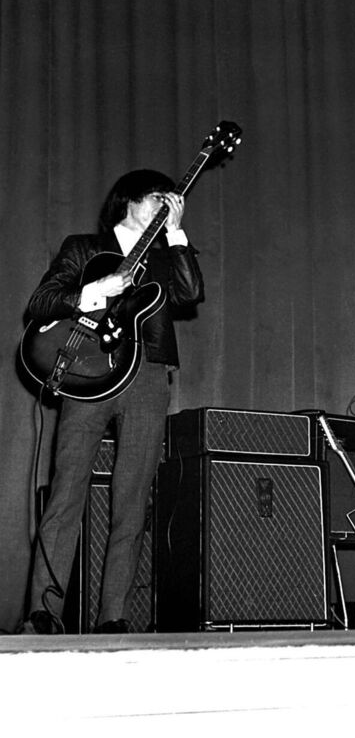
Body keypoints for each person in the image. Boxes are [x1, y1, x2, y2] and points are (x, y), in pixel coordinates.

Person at [23, 170, 204, 634]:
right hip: (86, 373)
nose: (166, 205)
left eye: (172, 200)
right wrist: (91, 292)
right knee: (66, 492)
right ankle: (44, 612)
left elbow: (190, 294)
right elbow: (41, 302)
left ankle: (114, 615)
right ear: (130, 201)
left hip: (146, 376)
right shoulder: (83, 246)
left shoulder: (166, 256)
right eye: (158, 198)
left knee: (133, 499)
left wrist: (177, 235)